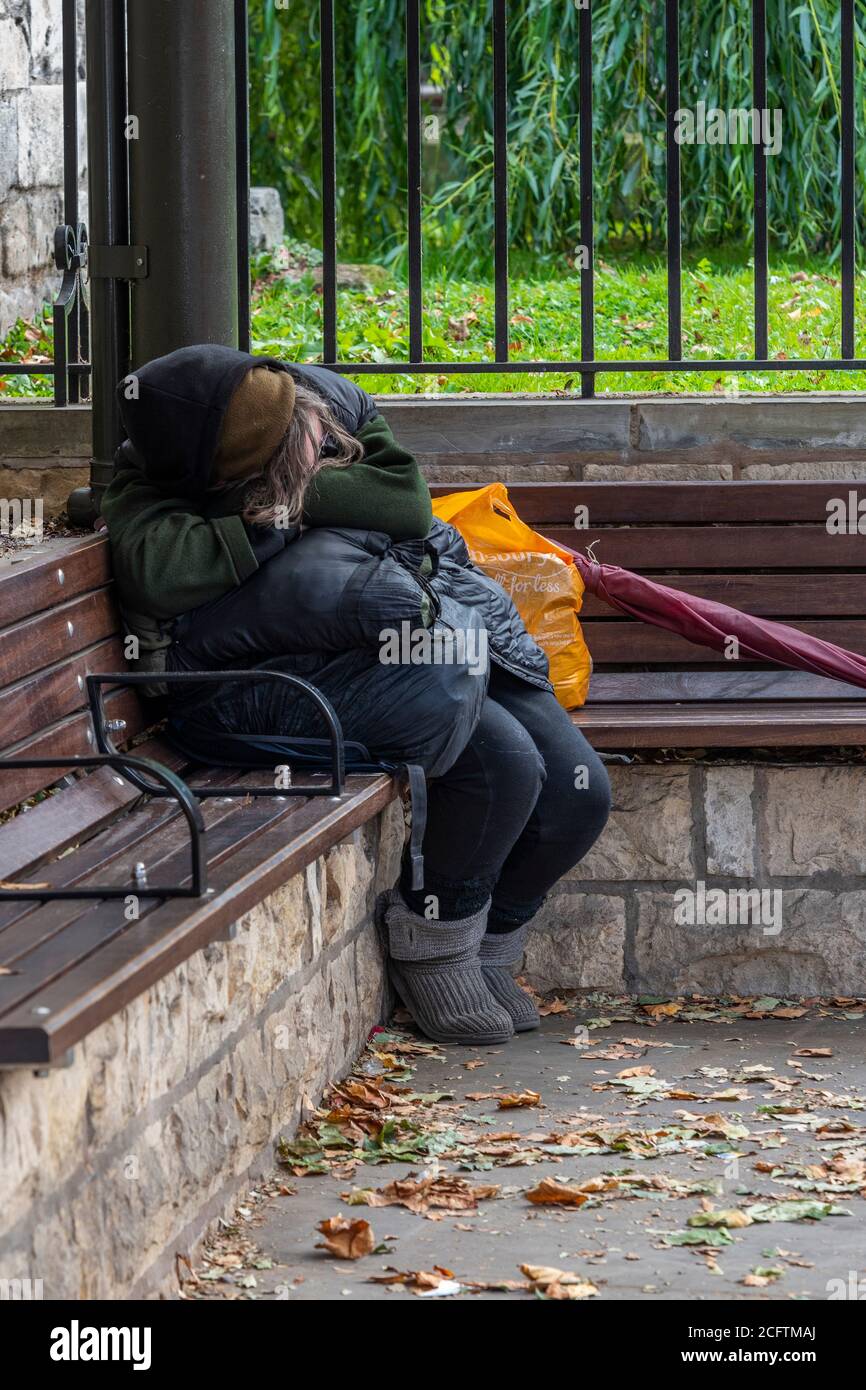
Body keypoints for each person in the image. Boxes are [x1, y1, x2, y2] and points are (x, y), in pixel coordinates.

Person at [101, 344, 611, 1045]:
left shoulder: (325, 400)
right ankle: (434, 946)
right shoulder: (165, 457)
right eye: (295, 445)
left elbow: (401, 501)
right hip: (329, 662)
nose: (321, 437)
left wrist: (284, 498)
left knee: (580, 795)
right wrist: (281, 508)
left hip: (444, 613)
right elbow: (160, 571)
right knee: (507, 767)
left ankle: (490, 946)